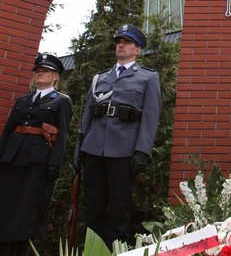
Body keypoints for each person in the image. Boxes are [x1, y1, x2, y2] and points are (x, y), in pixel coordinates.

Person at [75, 24, 162, 246]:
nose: (120, 45)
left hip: (123, 151)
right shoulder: (100, 78)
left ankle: (117, 249)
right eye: (118, 42)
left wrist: (142, 150)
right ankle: (93, 249)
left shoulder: (147, 78)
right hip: (93, 149)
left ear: (137, 50)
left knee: (120, 207)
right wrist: (79, 149)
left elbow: (150, 117)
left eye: (127, 42)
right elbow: (88, 115)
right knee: (93, 206)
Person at [0, 53, 72, 256]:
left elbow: (63, 135)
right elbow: (8, 130)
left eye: (46, 71)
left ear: (55, 76)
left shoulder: (61, 101)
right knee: (6, 205)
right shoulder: (23, 100)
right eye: (38, 71)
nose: (40, 73)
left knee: (26, 210)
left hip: (37, 162)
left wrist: (54, 164)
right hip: (11, 159)